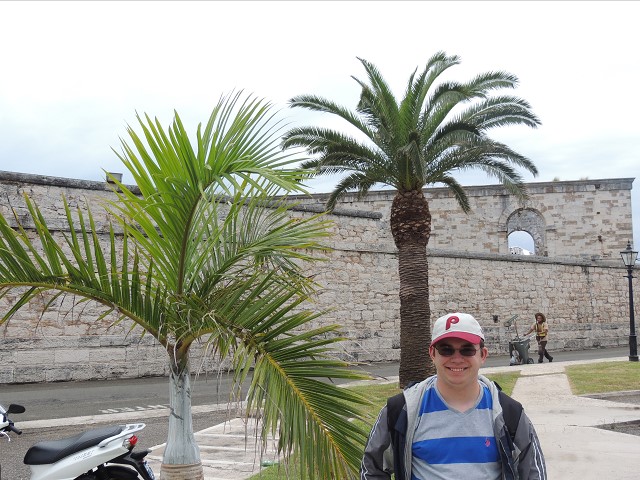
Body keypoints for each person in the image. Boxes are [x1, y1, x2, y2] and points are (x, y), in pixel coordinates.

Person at [360, 312, 547, 480]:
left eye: (467, 350)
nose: (457, 358)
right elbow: (372, 469)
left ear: (483, 355)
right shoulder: (402, 410)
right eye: (446, 349)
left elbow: (533, 472)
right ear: (432, 353)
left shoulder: (510, 413)